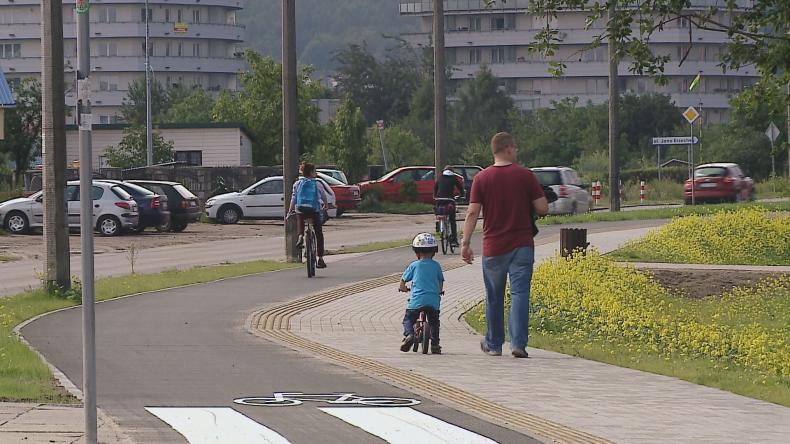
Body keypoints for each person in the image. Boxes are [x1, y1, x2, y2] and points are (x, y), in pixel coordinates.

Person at [460, 132, 548, 358]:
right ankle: (518, 344)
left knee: (494, 296)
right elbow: (543, 208)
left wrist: (466, 243)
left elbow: (472, 213)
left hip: (494, 247)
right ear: (508, 148)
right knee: (520, 293)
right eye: (515, 148)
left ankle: (493, 344)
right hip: (522, 245)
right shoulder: (525, 176)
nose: (517, 152)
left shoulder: (482, 178)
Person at [399, 233, 445, 354]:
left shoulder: (414, 265)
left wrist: (403, 288)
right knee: (434, 322)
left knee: (408, 319)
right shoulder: (436, 265)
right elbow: (440, 281)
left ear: (416, 252)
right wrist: (439, 291)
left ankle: (409, 335)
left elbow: (403, 281)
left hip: (417, 300)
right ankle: (435, 344)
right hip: (433, 301)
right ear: (434, 252)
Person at [289, 162, 330, 269]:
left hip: (300, 209)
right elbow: (323, 195)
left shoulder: (297, 184)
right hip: (314, 209)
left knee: (300, 218)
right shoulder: (317, 183)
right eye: (315, 171)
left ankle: (301, 236)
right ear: (311, 172)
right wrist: (325, 205)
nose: (316, 173)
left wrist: (289, 211)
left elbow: (293, 198)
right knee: (319, 234)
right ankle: (320, 259)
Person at [433, 166, 465, 247]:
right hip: (450, 200)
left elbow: (435, 188)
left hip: (439, 200)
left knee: (439, 212)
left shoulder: (440, 177)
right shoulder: (453, 178)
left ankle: (438, 225)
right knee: (452, 220)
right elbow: (460, 188)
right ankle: (454, 240)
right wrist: (461, 195)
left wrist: (435, 196)